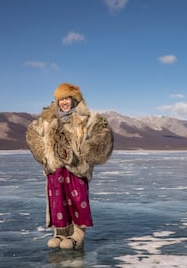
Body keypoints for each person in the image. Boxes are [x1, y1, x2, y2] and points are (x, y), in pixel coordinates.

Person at [26, 83, 114, 250]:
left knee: (77, 200)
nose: (64, 102)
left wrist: (83, 154)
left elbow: (102, 136)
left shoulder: (86, 118)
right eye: (61, 99)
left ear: (74, 100)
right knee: (57, 200)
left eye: (67, 98)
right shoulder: (48, 120)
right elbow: (34, 134)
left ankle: (77, 235)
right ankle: (60, 233)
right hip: (55, 167)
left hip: (76, 167)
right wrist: (45, 156)